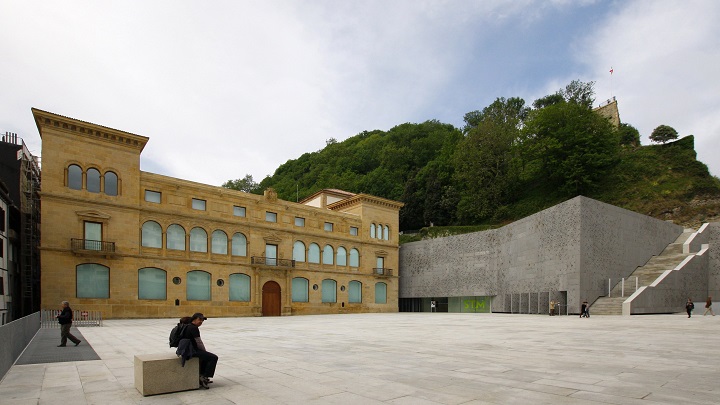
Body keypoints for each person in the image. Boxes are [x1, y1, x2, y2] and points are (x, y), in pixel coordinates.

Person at [185, 313, 218, 389]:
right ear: (194, 319)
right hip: (191, 351)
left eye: (202, 320)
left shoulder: (188, 326)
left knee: (206, 356)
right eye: (199, 319)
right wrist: (205, 351)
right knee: (213, 357)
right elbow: (198, 342)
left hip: (186, 349)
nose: (201, 322)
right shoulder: (193, 328)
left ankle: (202, 375)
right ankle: (204, 376)